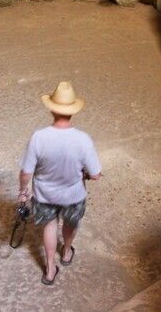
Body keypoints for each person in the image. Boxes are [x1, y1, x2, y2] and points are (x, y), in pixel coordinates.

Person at [18, 82, 102, 286]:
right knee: (70, 223)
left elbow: (26, 172)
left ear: (52, 109)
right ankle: (65, 252)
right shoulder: (83, 140)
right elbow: (95, 174)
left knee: (49, 226)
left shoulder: (39, 137)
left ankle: (50, 269)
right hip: (73, 195)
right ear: (73, 111)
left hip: (44, 194)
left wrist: (23, 191)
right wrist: (85, 174)